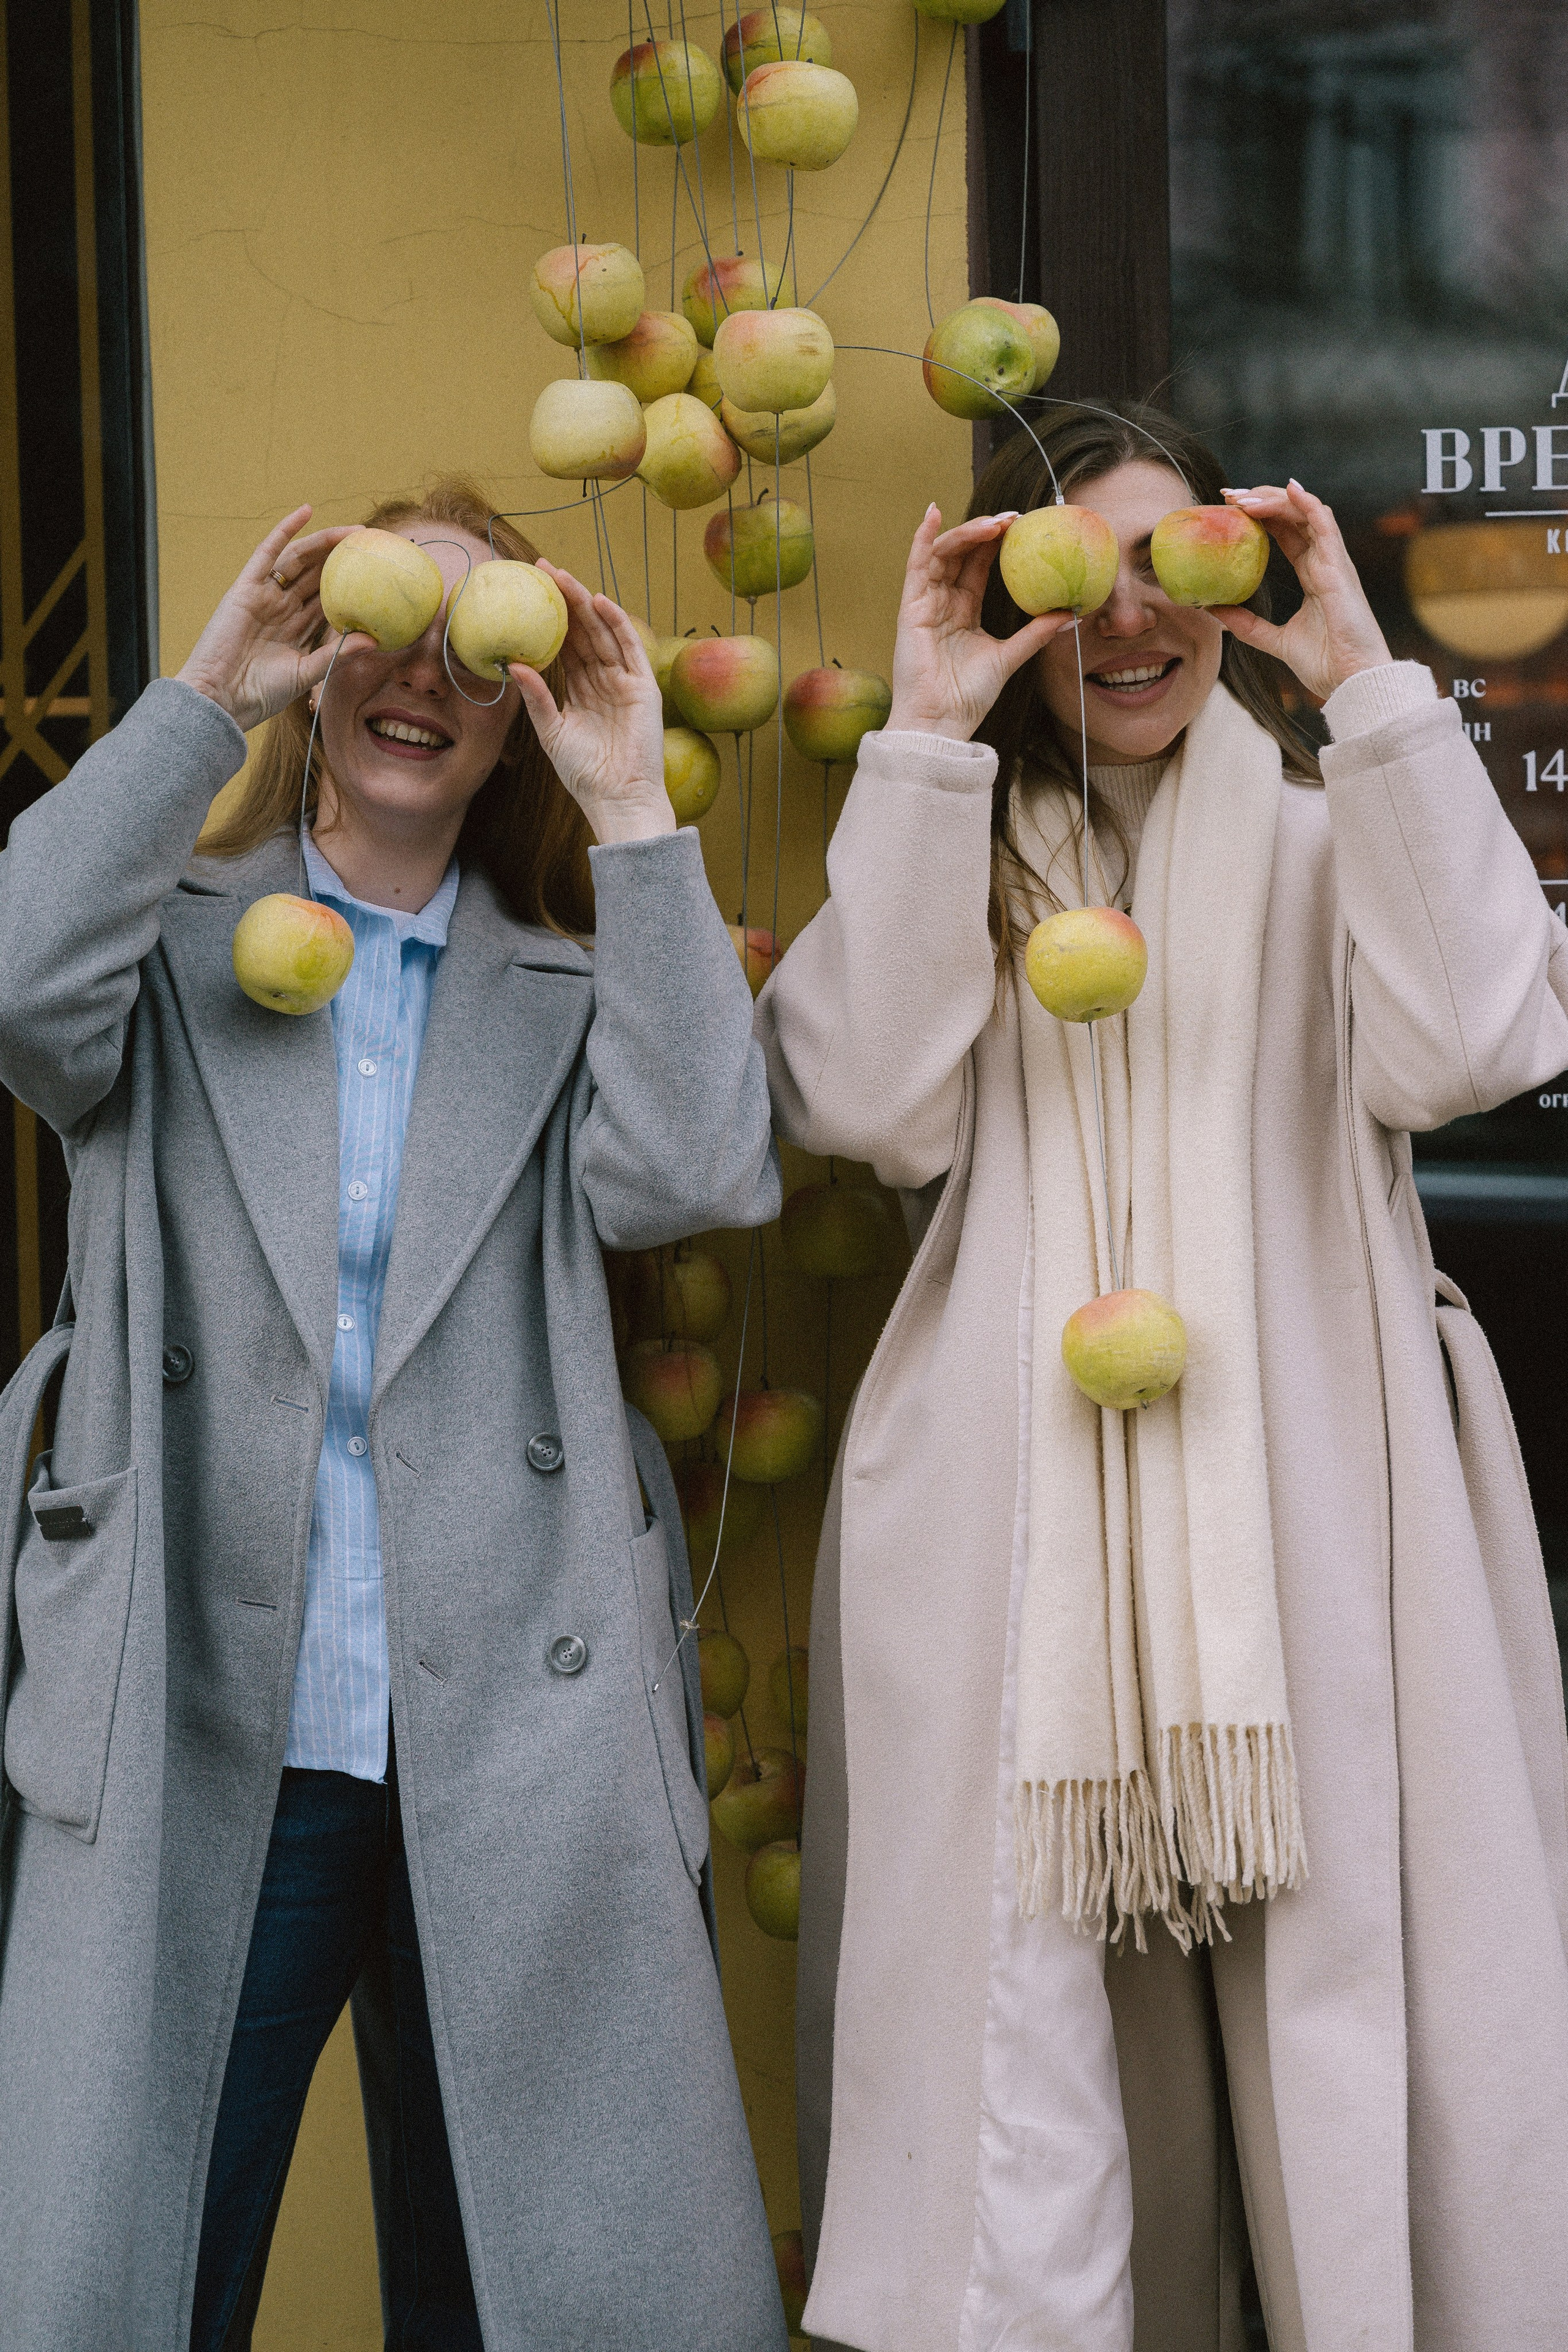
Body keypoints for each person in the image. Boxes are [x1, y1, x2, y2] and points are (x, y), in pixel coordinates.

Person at [757, 406, 1568, 2351]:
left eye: (1170, 563)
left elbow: (1478, 1039)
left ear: (1240, 581)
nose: (1129, 617)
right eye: (1070, 576)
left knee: (1339, 2020)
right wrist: (932, 735)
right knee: (1020, 2053)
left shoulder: (1318, 839)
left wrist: (1371, 688)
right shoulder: (970, 853)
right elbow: (861, 1099)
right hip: (1015, 1520)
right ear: (1012, 605)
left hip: (1305, 1488)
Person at [0, 475, 789, 2352]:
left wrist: (630, 800)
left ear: (519, 702)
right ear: (320, 668)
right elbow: (18, 985)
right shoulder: (167, 951)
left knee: (517, 2297)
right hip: (211, 1710)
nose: (423, 676)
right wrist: (206, 694)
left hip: (510, 1729)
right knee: (142, 2276)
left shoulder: (565, 987)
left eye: (478, 648)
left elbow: (698, 1169)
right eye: (383, 631)